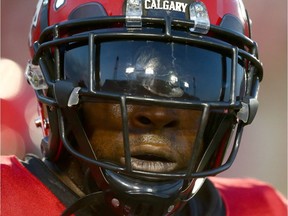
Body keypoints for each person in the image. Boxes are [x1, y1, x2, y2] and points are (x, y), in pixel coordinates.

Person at [1, 0, 287, 215]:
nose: (158, 112)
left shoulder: (262, 208)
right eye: (120, 82)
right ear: (52, 84)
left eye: (197, 82)